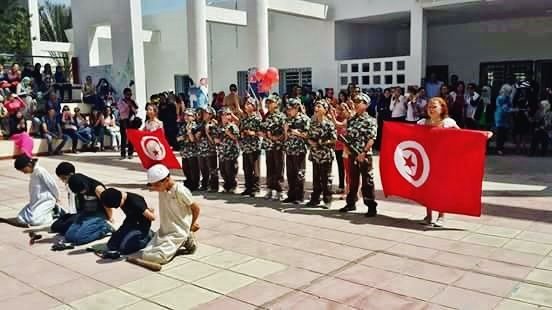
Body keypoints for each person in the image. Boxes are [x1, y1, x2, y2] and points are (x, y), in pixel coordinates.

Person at [127, 164, 200, 270]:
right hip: (165, 230)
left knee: (158, 257)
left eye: (156, 185)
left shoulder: (180, 191)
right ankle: (184, 241)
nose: (154, 189)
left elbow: (196, 208)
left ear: (166, 180)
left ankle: (186, 238)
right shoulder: (163, 189)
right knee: (146, 253)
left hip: (178, 231)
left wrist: (191, 225)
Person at [339, 94, 379, 217]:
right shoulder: (352, 119)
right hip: (352, 153)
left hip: (364, 155)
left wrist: (364, 152)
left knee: (367, 181)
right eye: (355, 101)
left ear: (366, 105)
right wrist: (347, 147)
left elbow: (372, 138)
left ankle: (371, 206)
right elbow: (349, 135)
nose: (356, 104)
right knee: (353, 180)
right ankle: (351, 202)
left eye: (359, 102)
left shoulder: (370, 120)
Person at [3, 155, 60, 227]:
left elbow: (52, 185)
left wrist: (57, 198)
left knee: (34, 221)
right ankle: (43, 213)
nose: (23, 172)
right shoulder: (33, 173)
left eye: (24, 170)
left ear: (29, 165)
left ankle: (53, 213)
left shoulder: (41, 171)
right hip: (35, 202)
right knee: (20, 219)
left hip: (46, 201)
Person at [64, 173, 114, 245]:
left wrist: (110, 218)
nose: (82, 192)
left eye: (83, 190)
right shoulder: (77, 187)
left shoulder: (98, 189)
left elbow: (108, 206)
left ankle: (104, 228)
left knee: (79, 239)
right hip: (86, 213)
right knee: (69, 236)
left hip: (98, 215)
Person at [100, 188, 154, 255]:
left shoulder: (136, 202)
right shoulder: (120, 197)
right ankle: (132, 236)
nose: (117, 207)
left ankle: (148, 235)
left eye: (117, 205)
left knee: (124, 248)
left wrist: (150, 210)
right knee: (111, 245)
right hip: (129, 223)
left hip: (140, 227)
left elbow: (152, 217)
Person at [306, 100, 336, 208]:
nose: (316, 108)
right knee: (316, 178)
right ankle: (315, 199)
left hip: (325, 155)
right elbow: (308, 136)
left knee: (326, 178)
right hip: (315, 155)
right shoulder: (313, 123)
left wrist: (323, 142)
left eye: (319, 106)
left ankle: (327, 201)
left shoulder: (329, 124)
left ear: (325, 109)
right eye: (316, 106)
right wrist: (311, 142)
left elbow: (334, 139)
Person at [283, 98, 310, 204]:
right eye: (288, 109)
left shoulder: (304, 119)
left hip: (299, 150)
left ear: (297, 108)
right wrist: (286, 131)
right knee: (290, 174)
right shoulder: (287, 119)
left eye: (291, 109)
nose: (289, 111)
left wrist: (296, 133)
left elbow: (308, 135)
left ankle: (299, 196)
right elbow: (286, 137)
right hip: (289, 149)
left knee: (299, 174)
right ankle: (291, 195)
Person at [262, 95, 286, 201]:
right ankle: (270, 189)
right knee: (270, 167)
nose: (268, 104)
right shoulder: (266, 116)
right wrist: (263, 134)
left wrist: (276, 138)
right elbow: (261, 128)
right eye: (268, 102)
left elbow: (285, 133)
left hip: (278, 146)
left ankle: (279, 190)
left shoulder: (281, 116)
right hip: (268, 146)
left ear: (277, 104)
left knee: (278, 168)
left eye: (271, 102)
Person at [240, 98, 262, 197]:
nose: (246, 105)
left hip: (254, 147)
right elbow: (241, 131)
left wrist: (253, 133)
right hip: (245, 147)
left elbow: (261, 132)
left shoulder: (257, 119)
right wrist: (242, 134)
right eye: (246, 104)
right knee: (246, 168)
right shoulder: (244, 119)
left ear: (253, 106)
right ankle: (248, 188)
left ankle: (255, 188)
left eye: (249, 104)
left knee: (255, 169)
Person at [178, 109, 200, 191]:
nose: (186, 117)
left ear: (194, 117)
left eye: (189, 115)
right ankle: (189, 182)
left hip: (193, 151)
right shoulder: (183, 126)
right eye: (185, 115)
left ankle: (195, 184)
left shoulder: (195, 126)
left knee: (193, 169)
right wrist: (183, 137)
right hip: (184, 151)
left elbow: (193, 139)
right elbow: (178, 138)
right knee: (185, 168)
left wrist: (189, 133)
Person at [219, 108, 240, 193]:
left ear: (229, 116)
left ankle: (233, 186)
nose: (224, 117)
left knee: (230, 170)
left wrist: (229, 134)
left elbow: (237, 138)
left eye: (226, 115)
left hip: (231, 152)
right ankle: (226, 186)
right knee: (223, 170)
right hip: (222, 152)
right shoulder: (221, 127)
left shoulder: (232, 126)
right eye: (223, 115)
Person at [199, 107, 219, 192]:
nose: (204, 115)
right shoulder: (201, 124)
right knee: (203, 169)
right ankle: (205, 185)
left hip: (210, 150)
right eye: (204, 113)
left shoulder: (213, 125)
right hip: (201, 150)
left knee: (212, 170)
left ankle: (214, 187)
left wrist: (207, 132)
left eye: (206, 113)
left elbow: (214, 141)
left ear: (211, 115)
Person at [117, 88, 138, 159]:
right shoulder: (121, 101)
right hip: (123, 120)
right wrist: (127, 105)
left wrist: (132, 106)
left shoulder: (132, 101)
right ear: (124, 94)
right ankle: (123, 154)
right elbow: (121, 110)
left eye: (130, 94)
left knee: (131, 137)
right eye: (127, 94)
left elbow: (136, 110)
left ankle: (130, 153)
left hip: (131, 120)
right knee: (123, 137)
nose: (129, 96)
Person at [495, 84, 513, 155]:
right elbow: (502, 106)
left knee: (504, 134)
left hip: (506, 117)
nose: (510, 92)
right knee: (500, 134)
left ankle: (501, 148)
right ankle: (499, 149)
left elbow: (510, 106)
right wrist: (509, 109)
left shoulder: (508, 98)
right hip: (500, 116)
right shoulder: (500, 98)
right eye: (509, 91)